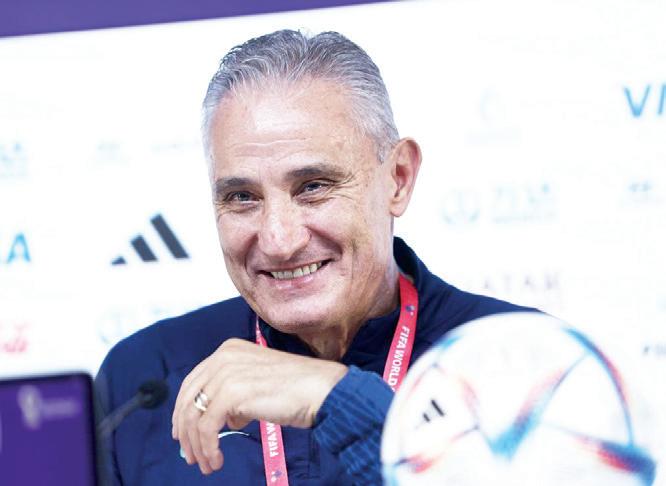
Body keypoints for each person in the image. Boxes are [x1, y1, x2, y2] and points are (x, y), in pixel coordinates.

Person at [95, 29, 534, 485]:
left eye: (313, 187)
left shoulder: (525, 362)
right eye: (242, 197)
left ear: (398, 178)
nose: (279, 240)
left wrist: (336, 397)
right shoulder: (143, 377)